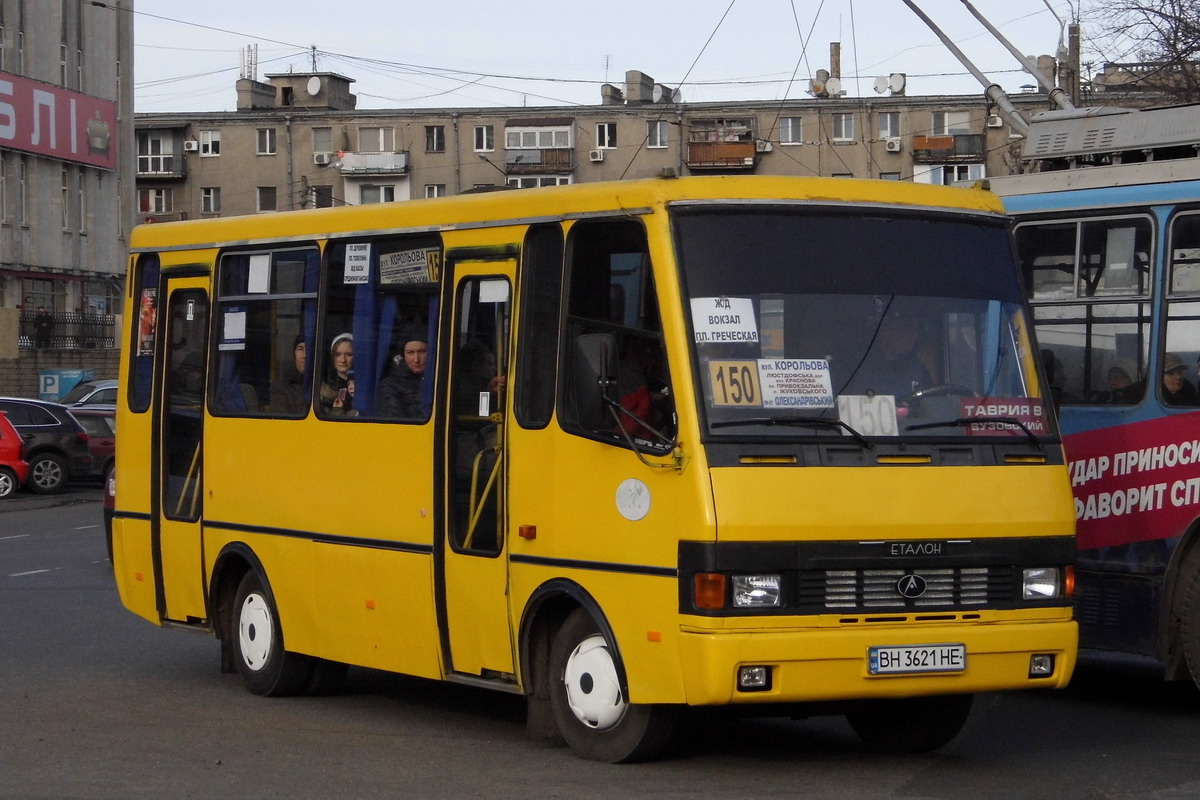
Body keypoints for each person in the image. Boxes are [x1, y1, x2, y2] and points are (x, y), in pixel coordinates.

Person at [377, 328, 428, 419]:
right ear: (403, 355)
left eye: (421, 352)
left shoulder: (440, 379)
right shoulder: (390, 385)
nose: (416, 359)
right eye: (410, 352)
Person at [319, 332, 357, 416]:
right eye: (338, 354)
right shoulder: (322, 389)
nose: (343, 360)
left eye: (349, 355)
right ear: (332, 357)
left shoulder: (362, 390)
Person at [269, 334, 308, 415]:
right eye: (300, 349)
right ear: (294, 355)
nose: (304, 355)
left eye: (309, 349)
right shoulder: (281, 387)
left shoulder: (324, 385)